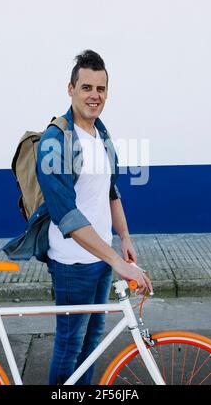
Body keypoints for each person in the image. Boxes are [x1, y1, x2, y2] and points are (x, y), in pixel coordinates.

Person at [36, 50, 152, 385]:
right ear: (70, 89)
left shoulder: (101, 134)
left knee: (92, 344)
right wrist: (116, 260)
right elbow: (66, 215)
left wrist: (125, 238)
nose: (94, 95)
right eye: (86, 87)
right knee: (70, 344)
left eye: (100, 88)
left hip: (101, 259)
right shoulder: (55, 140)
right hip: (73, 263)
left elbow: (111, 191)